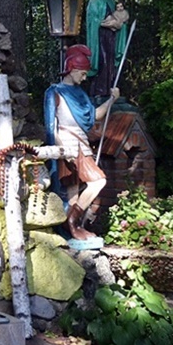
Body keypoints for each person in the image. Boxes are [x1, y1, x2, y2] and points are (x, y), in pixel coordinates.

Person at [44, 43, 119, 243]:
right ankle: (72, 223)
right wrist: (61, 149)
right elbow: (52, 126)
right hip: (68, 146)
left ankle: (71, 226)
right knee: (97, 181)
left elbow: (95, 116)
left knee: (75, 190)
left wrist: (111, 100)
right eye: (83, 73)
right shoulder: (55, 92)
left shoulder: (81, 94)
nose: (85, 78)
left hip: (81, 145)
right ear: (73, 69)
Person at [85, 0, 129, 103]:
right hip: (99, 39)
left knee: (110, 63)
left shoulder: (111, 1)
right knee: (101, 62)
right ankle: (99, 91)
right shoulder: (94, 1)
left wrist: (120, 24)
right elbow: (93, 20)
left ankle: (109, 89)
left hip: (111, 38)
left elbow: (119, 16)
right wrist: (107, 24)